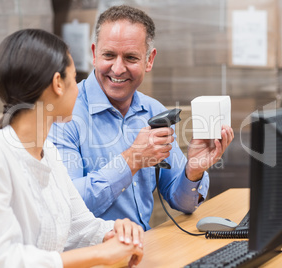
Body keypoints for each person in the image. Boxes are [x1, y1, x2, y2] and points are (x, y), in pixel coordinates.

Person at [0, 29, 144, 268]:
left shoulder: (47, 152)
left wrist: (114, 232)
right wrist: (102, 254)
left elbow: (79, 226)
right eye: (73, 77)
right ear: (57, 83)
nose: (78, 88)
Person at [48, 5, 234, 231]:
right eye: (108, 55)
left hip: (141, 251)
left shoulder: (152, 110)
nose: (117, 69)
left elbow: (182, 203)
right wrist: (132, 159)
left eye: (130, 58)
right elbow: (66, 207)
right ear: (94, 54)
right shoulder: (65, 115)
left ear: (149, 60)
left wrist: (193, 171)